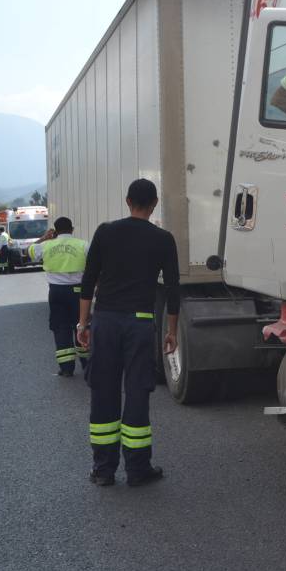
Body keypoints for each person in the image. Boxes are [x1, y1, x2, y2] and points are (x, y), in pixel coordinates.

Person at [77, 179, 179, 487]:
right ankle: (137, 470)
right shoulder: (163, 239)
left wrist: (84, 324)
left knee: (103, 391)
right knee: (137, 393)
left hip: (105, 321)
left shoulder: (105, 232)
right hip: (140, 323)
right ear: (155, 204)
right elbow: (173, 289)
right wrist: (171, 331)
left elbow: (88, 279)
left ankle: (103, 470)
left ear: (127, 201)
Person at [29, 218, 89, 377]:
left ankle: (66, 368)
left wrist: (44, 238)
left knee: (60, 327)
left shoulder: (46, 245)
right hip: (78, 293)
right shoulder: (83, 245)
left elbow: (30, 251)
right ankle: (87, 364)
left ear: (55, 231)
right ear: (73, 229)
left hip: (56, 292)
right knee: (81, 325)